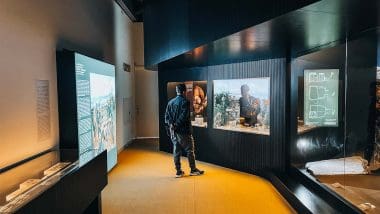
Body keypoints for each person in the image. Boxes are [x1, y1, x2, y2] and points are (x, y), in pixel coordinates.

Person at [165, 83, 205, 178]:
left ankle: (178, 171)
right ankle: (193, 169)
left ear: (177, 91)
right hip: (184, 131)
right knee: (190, 150)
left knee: (176, 151)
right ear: (184, 91)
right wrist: (176, 125)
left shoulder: (170, 102)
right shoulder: (185, 102)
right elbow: (184, 116)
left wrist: (172, 125)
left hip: (173, 132)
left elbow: (166, 117)